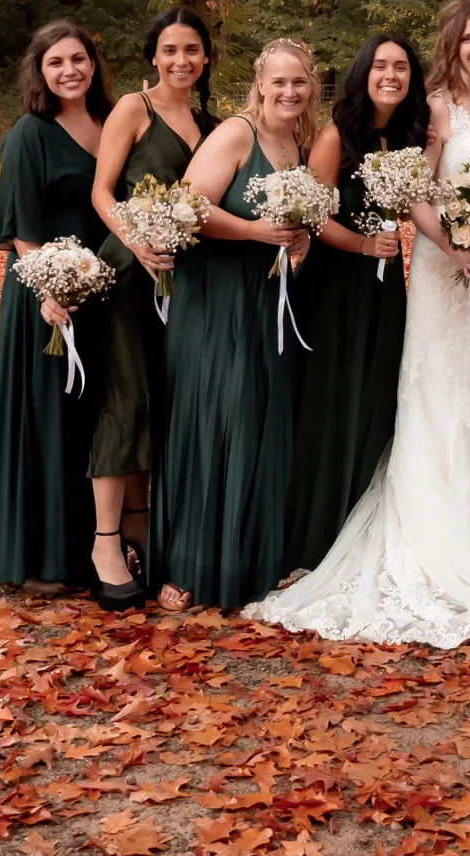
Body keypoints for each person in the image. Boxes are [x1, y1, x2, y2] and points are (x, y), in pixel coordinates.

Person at [248, 0, 470, 647]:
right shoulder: (436, 108)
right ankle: (438, 531)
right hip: (448, 274)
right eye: (468, 37)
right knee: (442, 395)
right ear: (451, 45)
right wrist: (454, 247)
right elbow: (416, 194)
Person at [151, 39, 320, 612]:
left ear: (310, 85)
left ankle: (250, 558)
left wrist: (294, 238)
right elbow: (187, 209)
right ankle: (189, 563)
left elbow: (288, 225)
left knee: (258, 422)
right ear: (260, 83)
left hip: (265, 299)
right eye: (279, 82)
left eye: (299, 82)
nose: (289, 92)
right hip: (215, 300)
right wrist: (255, 233)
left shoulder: (296, 144)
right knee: (215, 419)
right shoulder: (237, 133)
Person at [0, 22, 113, 596]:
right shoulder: (29, 135)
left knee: (89, 419)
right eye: (56, 62)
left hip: (101, 291)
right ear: (40, 71)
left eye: (79, 59)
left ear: (93, 64)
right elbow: (22, 231)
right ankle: (42, 556)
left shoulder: (111, 126)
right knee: (48, 418)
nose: (70, 71)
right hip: (46, 295)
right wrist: (49, 289)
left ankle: (93, 546)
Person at [283, 33, 427, 570]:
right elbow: (315, 217)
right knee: (331, 402)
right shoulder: (336, 135)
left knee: (375, 396)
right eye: (381, 66)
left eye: (402, 68)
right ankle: (316, 533)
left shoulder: (411, 136)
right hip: (334, 285)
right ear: (364, 72)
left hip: (384, 286)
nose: (391, 75)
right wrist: (365, 244)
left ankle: (364, 519)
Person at [89, 7, 216, 608]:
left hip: (187, 281)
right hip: (128, 272)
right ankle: (105, 543)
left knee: (167, 404)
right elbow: (101, 191)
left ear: (206, 58)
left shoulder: (211, 124)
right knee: (126, 399)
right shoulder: (133, 111)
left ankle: (146, 532)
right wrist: (136, 240)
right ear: (153, 57)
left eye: (191, 50)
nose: (180, 61)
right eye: (169, 50)